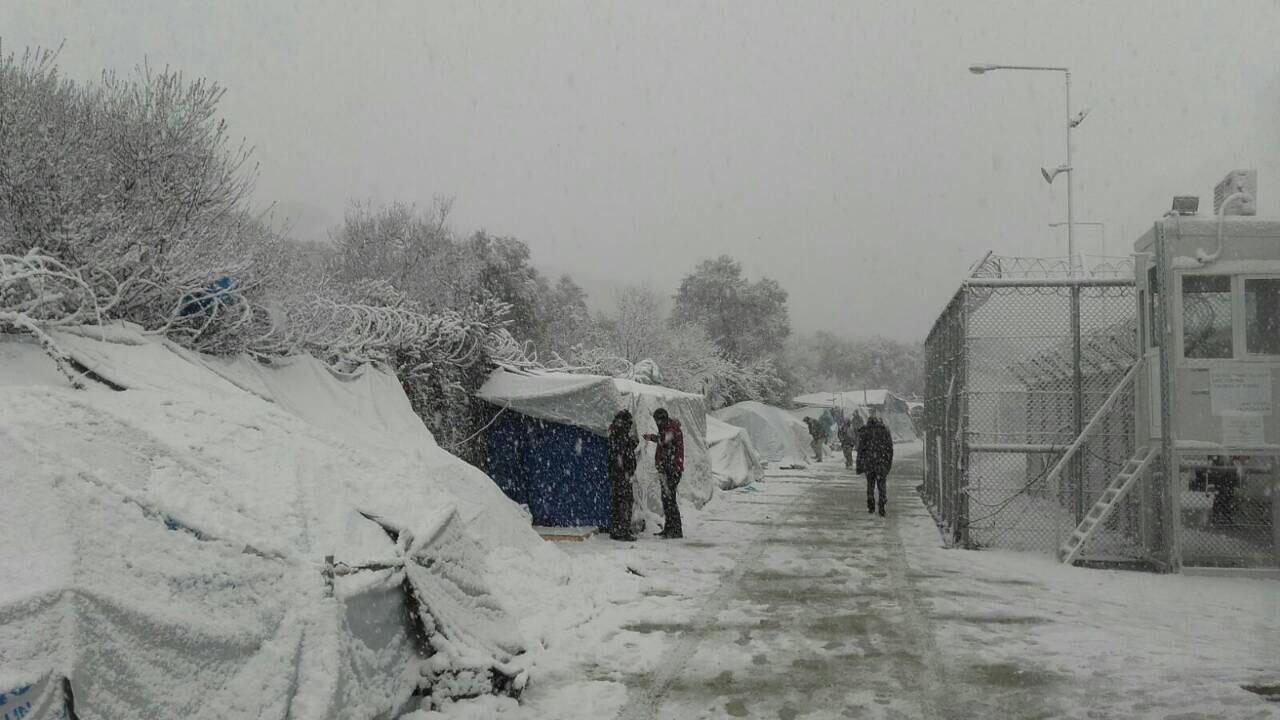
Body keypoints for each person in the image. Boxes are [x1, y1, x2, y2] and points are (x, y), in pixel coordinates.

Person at [644, 408, 684, 539]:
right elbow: (663, 439)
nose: (656, 423)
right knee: (667, 500)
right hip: (667, 470)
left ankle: (676, 530)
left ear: (661, 419)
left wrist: (652, 438)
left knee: (670, 500)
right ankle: (669, 529)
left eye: (657, 420)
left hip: (671, 471)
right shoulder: (668, 428)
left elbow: (665, 440)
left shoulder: (672, 429)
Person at [607, 409, 639, 541]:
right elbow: (623, 454)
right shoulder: (621, 435)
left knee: (617, 502)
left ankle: (616, 529)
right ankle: (623, 531)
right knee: (625, 502)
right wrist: (626, 471)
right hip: (622, 475)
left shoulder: (614, 434)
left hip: (617, 474)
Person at [856, 414, 894, 516]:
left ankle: (870, 503)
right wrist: (888, 463)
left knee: (870, 484)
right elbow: (889, 449)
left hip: (869, 464)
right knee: (882, 485)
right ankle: (881, 505)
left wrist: (859, 465)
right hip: (881, 463)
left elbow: (860, 450)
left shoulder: (864, 432)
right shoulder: (884, 431)